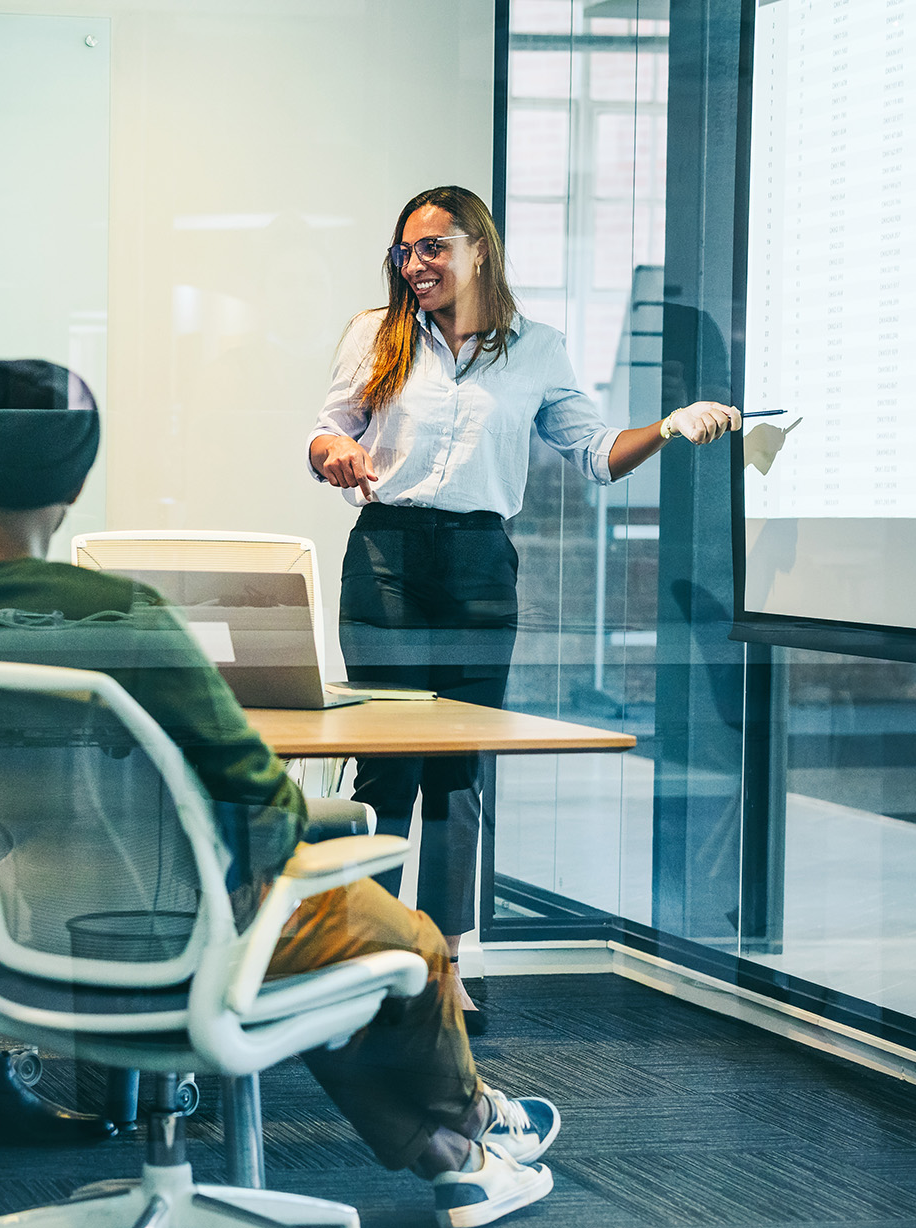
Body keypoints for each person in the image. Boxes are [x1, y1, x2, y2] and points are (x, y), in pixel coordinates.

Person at [0, 358, 560, 1228]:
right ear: (69, 491)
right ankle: (469, 1135)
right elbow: (270, 808)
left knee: (320, 937)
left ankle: (463, 1149)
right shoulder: (120, 620)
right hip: (179, 944)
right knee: (402, 943)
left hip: (22, 950)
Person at [308, 184, 740, 1026]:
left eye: (432, 247)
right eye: (405, 250)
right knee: (385, 763)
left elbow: (593, 454)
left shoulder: (536, 350)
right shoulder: (378, 332)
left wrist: (671, 426)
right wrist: (336, 454)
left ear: (478, 249)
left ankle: (443, 962)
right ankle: (371, 958)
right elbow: (328, 428)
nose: (415, 264)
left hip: (478, 566)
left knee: (461, 767)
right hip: (386, 556)